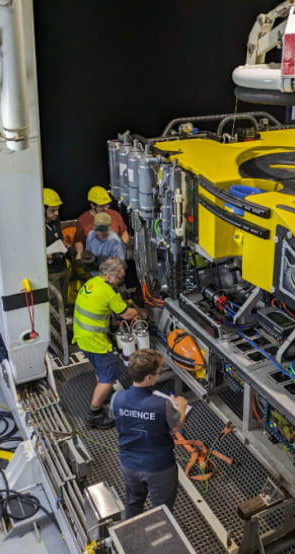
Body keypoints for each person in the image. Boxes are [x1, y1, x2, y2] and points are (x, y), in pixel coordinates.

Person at [110, 349, 187, 518]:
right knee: (162, 510)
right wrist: (180, 406)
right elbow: (175, 428)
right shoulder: (162, 404)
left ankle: (132, 531)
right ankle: (162, 534)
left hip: (128, 464)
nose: (159, 375)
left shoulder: (117, 398)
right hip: (158, 468)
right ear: (149, 378)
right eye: (158, 372)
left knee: (133, 501)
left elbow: (117, 417)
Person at [72, 257, 146, 429]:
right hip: (95, 342)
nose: (121, 281)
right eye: (120, 278)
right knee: (109, 377)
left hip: (82, 337)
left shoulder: (92, 283)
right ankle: (94, 414)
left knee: (101, 371)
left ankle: (103, 395)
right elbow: (126, 314)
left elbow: (111, 305)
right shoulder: (109, 292)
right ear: (109, 277)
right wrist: (141, 312)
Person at [74, 186, 129, 259]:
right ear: (92, 205)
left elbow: (124, 233)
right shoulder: (82, 221)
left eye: (107, 205)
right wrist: (79, 253)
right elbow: (78, 240)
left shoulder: (115, 215)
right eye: (101, 206)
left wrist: (120, 247)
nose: (105, 208)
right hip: (95, 260)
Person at [44, 187, 70, 305]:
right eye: (53, 210)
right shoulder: (34, 227)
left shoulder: (55, 220)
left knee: (63, 301)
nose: (57, 213)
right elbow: (31, 254)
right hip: (50, 271)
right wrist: (51, 256)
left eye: (57, 210)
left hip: (63, 267)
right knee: (55, 302)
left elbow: (58, 239)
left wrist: (67, 248)